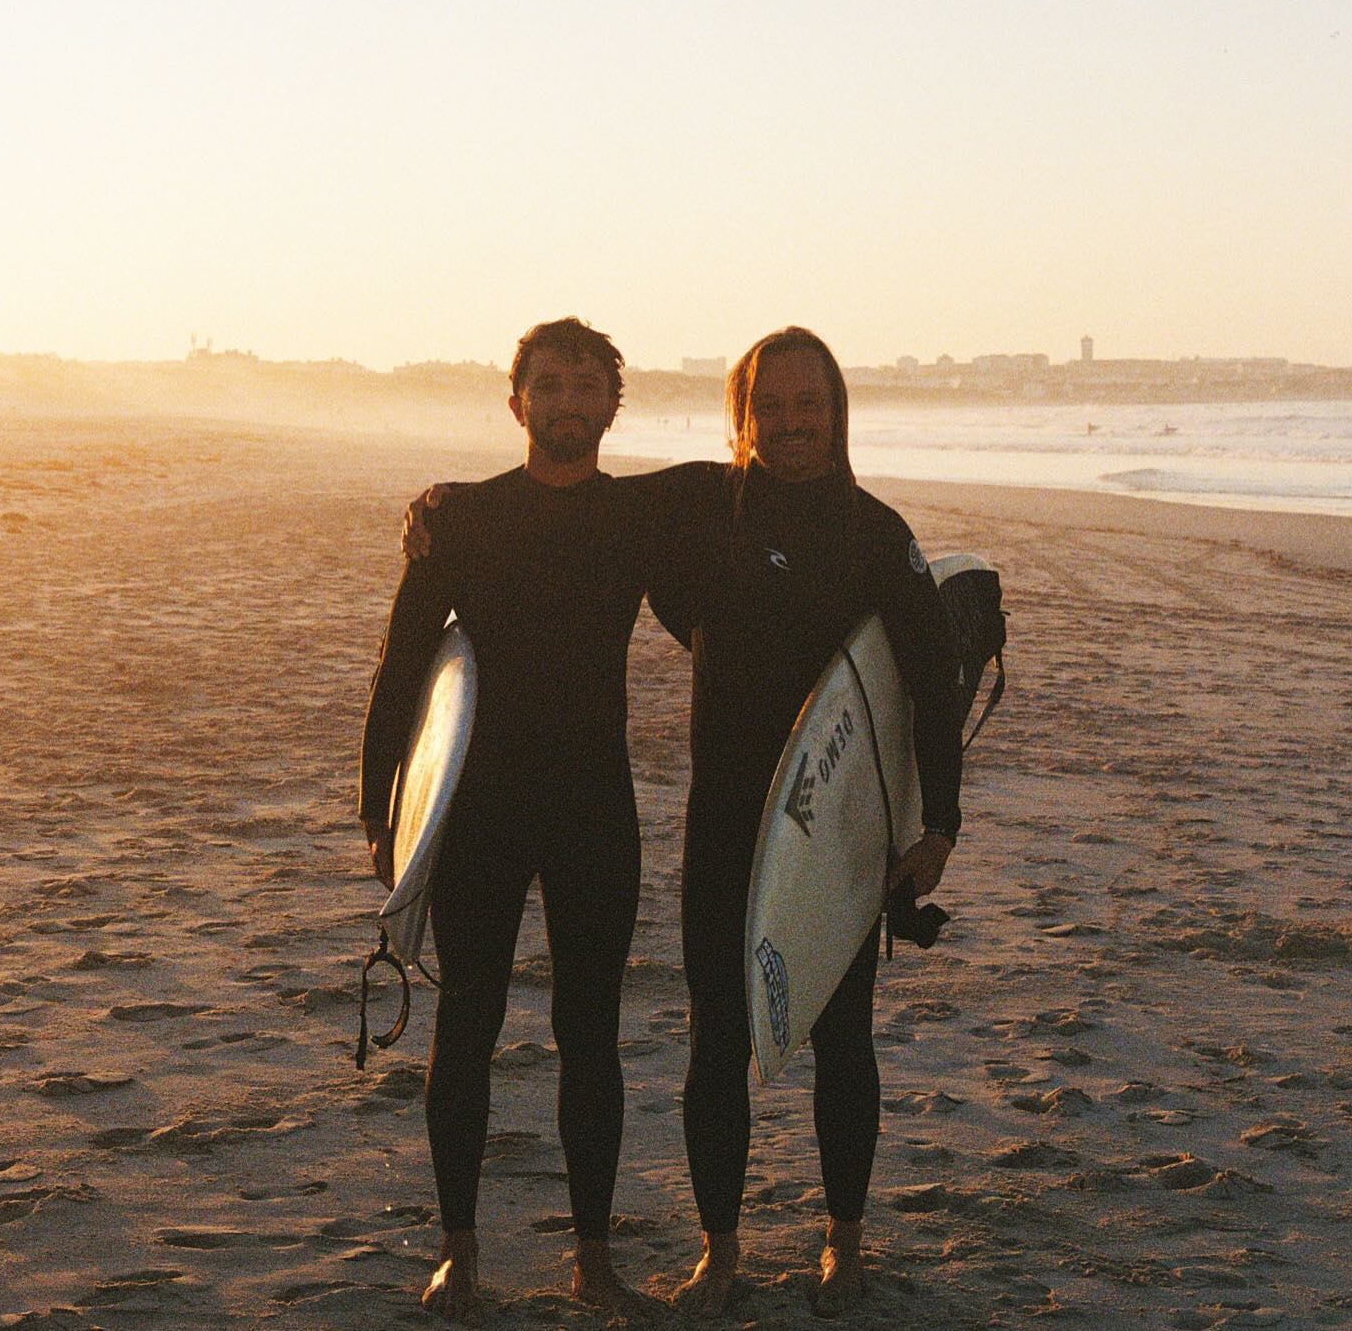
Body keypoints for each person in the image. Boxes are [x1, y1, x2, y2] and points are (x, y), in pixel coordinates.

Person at [401, 326, 966, 1318]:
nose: (791, 423)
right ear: (742, 414)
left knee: (843, 1033)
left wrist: (940, 824)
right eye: (771, 406)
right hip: (724, 819)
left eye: (809, 405)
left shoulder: (879, 536)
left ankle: (841, 1241)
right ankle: (719, 1250)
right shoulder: (699, 501)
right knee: (717, 1037)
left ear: (837, 411)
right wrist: (440, 500)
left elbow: (926, 684)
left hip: (836, 818)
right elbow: (568, 496)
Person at [361, 317, 672, 1321]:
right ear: (517, 402)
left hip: (594, 806)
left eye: (587, 385)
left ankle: (593, 1259)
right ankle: (459, 1251)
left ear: (613, 407)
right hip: (483, 807)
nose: (568, 400)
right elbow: (405, 664)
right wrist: (385, 811)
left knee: (592, 1035)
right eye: (549, 384)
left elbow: (736, 570)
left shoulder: (639, 520)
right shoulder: (465, 519)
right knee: (468, 1022)